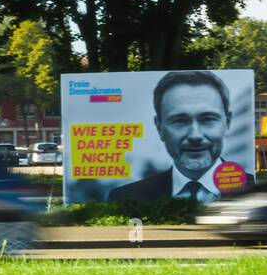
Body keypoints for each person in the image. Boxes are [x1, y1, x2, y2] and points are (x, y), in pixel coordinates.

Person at [108, 70, 254, 201]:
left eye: (208, 119)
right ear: (159, 127)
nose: (195, 136)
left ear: (227, 121)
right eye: (180, 121)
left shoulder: (255, 191)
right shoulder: (126, 197)